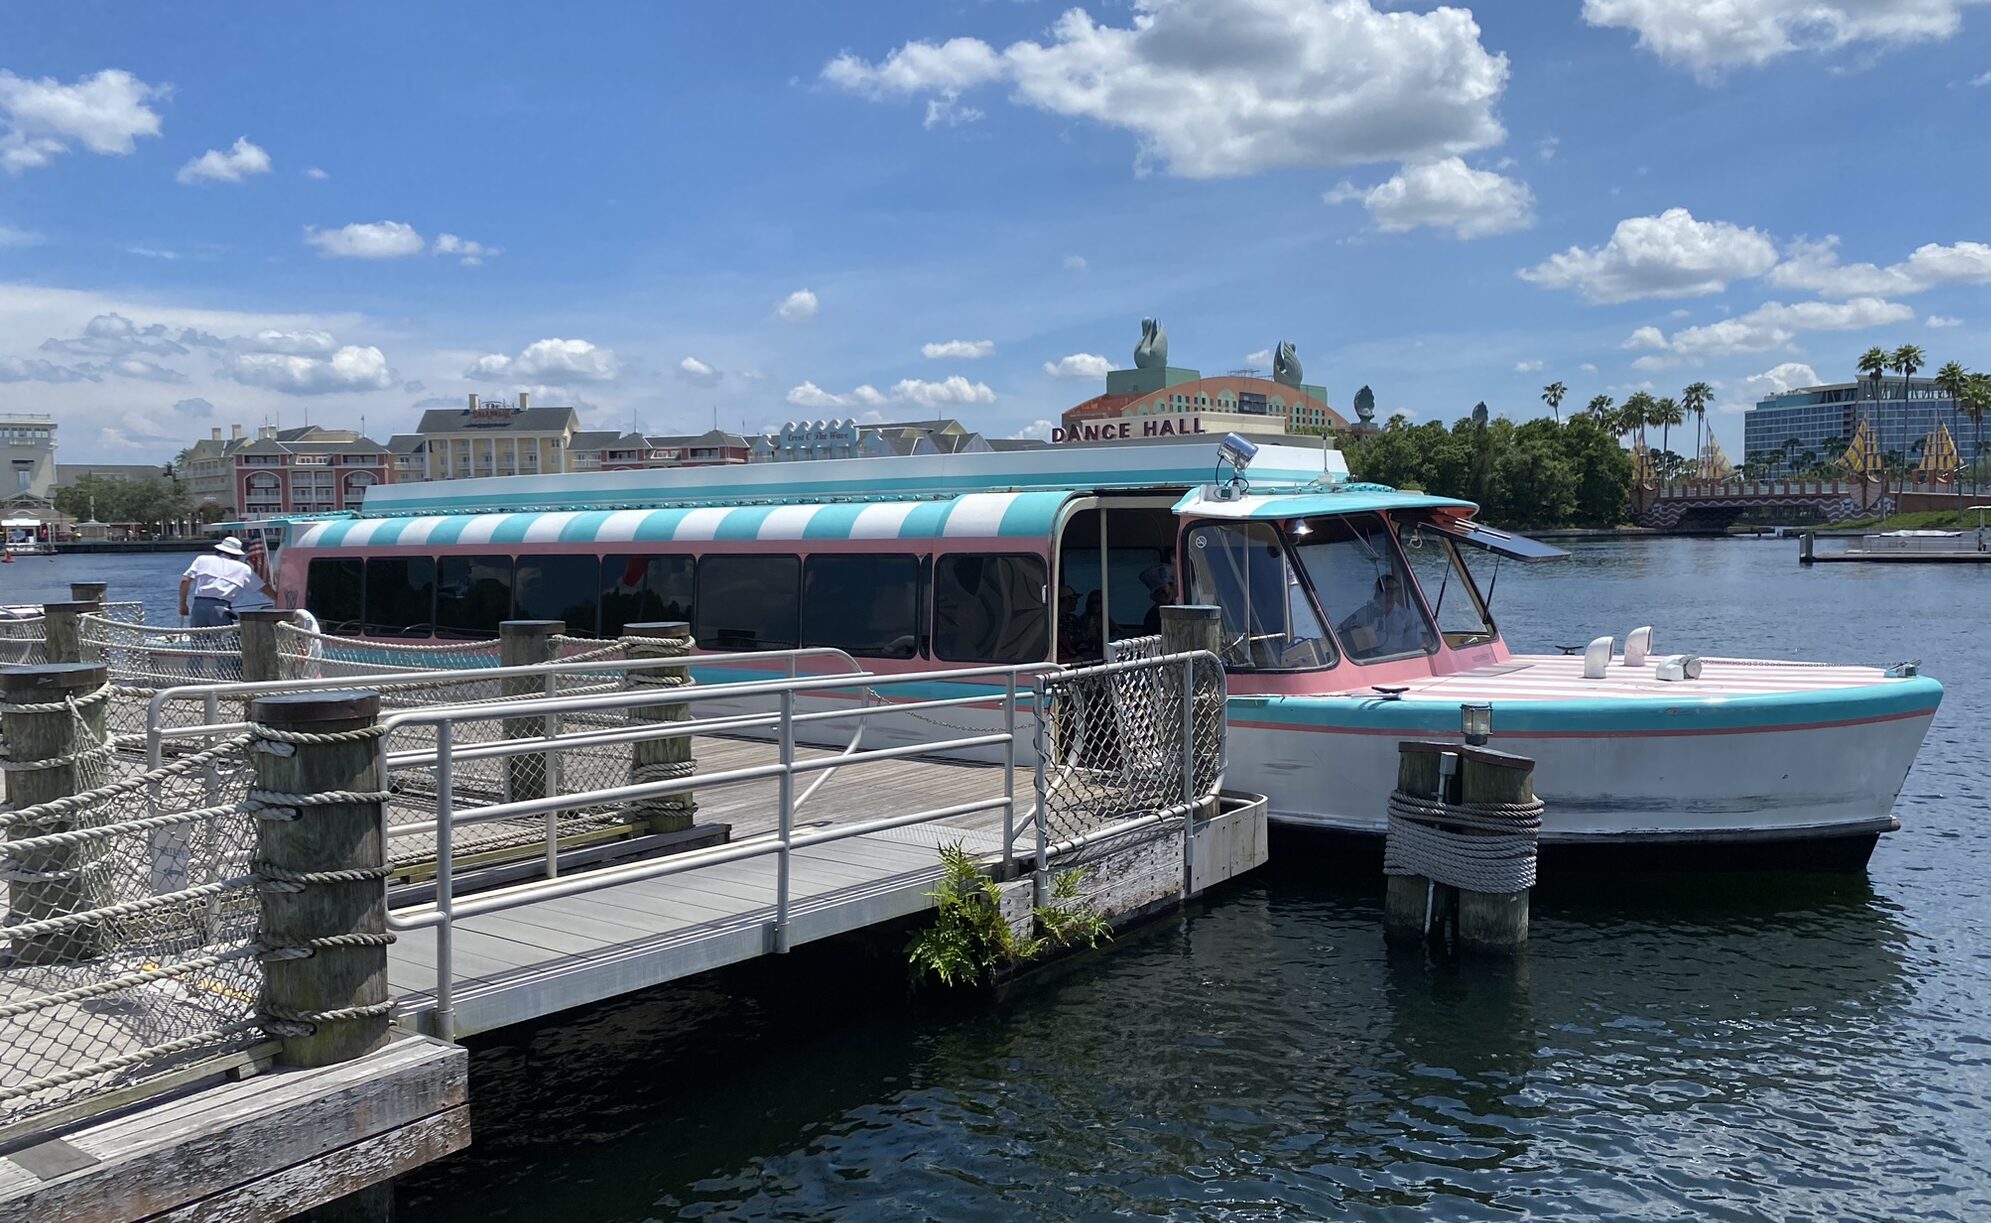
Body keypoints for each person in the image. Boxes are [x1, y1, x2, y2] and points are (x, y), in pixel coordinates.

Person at [180, 536, 277, 627]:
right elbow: (263, 588)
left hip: (198, 607)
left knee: (198, 641)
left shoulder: (201, 559)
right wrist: (277, 598)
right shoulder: (243, 568)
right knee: (224, 642)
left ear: (217, 550)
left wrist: (183, 605)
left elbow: (185, 580)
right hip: (221, 608)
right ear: (236, 555)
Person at [1336, 573, 1424, 658]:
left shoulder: (1406, 616)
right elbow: (1340, 631)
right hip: (1371, 660)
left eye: (1396, 590)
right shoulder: (1365, 613)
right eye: (1388, 591)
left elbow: (1415, 644)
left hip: (1398, 659)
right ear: (1378, 592)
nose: (1391, 595)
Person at [1139, 563, 1176, 634]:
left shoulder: (1176, 609)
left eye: (1169, 590)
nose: (1167, 594)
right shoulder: (1152, 616)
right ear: (1155, 596)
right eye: (1163, 592)